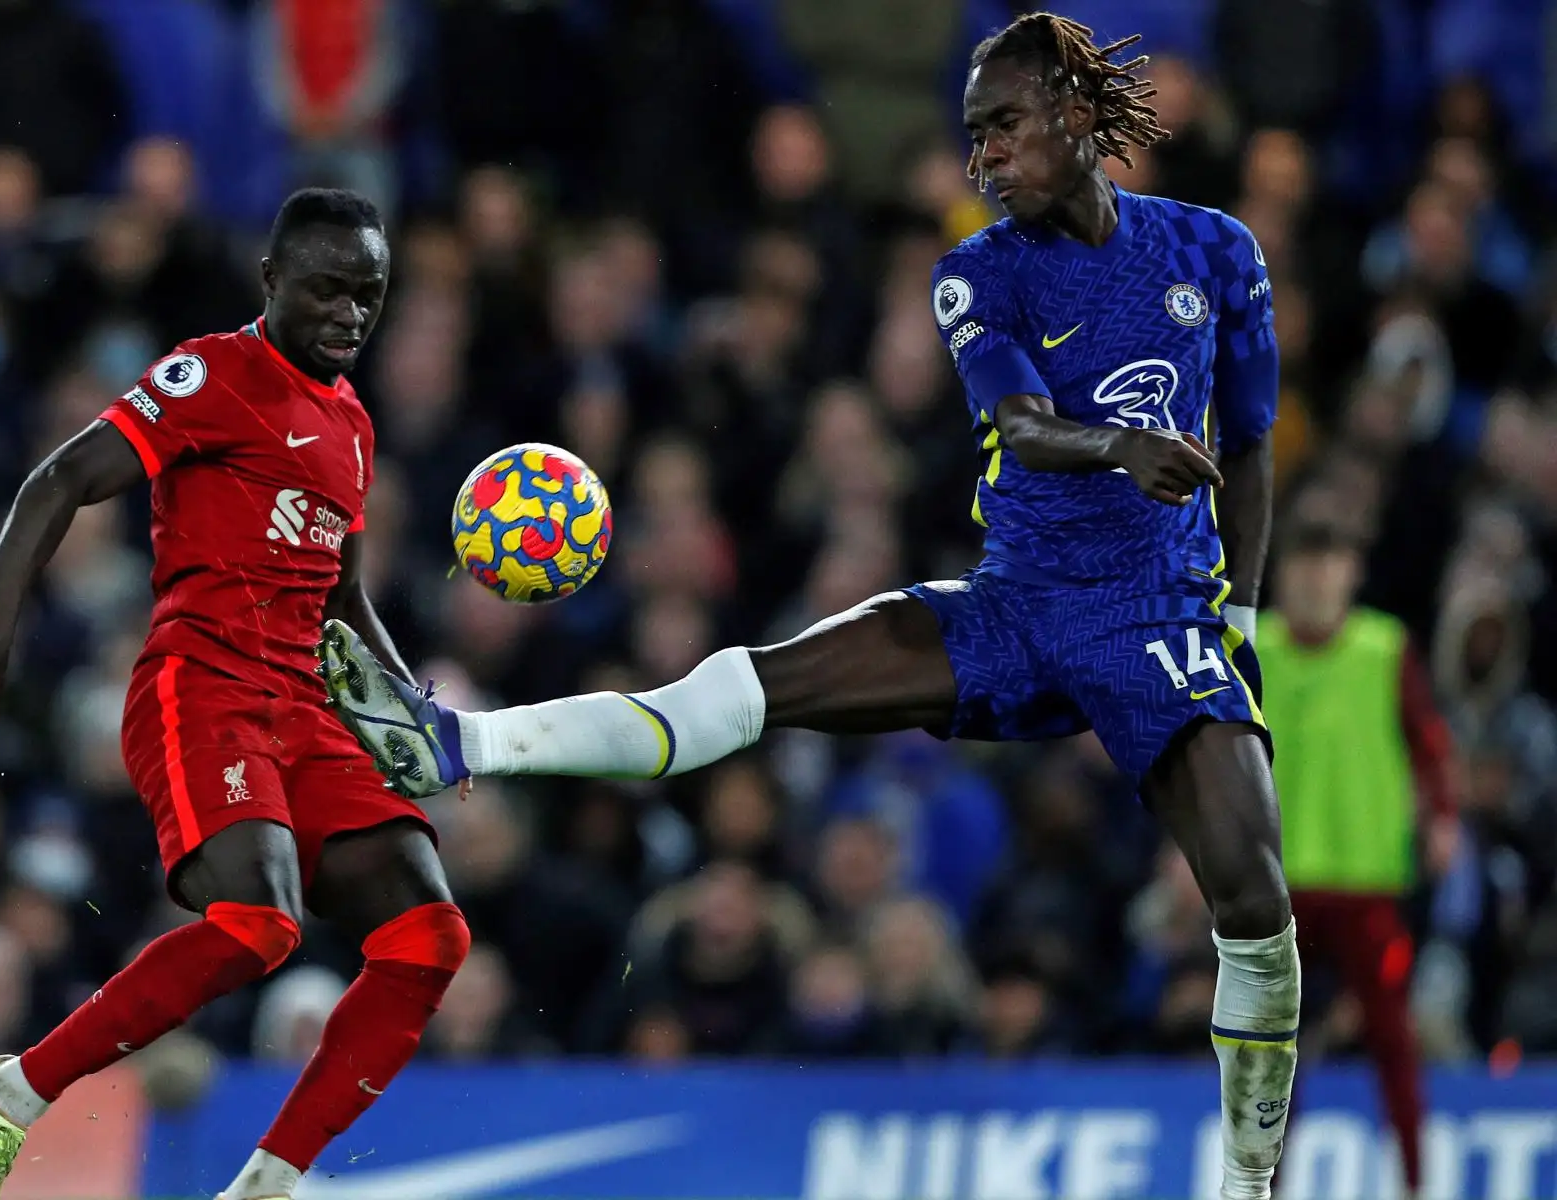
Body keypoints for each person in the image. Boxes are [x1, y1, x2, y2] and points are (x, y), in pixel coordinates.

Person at [324, 14, 1299, 1200]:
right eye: (971, 135)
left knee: (1253, 903)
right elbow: (1023, 428)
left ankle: (1252, 1181)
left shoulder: (1214, 252)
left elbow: (1247, 449)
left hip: (1154, 618)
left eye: (1003, 127)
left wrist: (1235, 629)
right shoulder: (975, 271)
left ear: (1079, 119)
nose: (984, 157)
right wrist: (1116, 446)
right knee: (753, 683)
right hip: (1018, 602)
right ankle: (459, 741)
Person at [0, 189, 470, 1200]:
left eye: (368, 297)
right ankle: (16, 1093)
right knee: (261, 925)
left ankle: (270, 1179)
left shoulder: (353, 426)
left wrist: (407, 709)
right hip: (200, 686)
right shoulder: (214, 373)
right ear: (271, 281)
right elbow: (58, 479)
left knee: (431, 934)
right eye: (327, 289)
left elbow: (343, 594)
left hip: (303, 706)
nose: (349, 314)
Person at [1261, 509, 1455, 1196]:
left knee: (1394, 1046)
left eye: (1330, 565)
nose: (1316, 582)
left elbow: (1427, 739)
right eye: (1304, 567)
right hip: (1280, 888)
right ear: (1281, 574)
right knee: (1272, 1058)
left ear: (1353, 574)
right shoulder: (1255, 651)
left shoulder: (1383, 649)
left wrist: (1442, 816)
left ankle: (1414, 1179)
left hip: (1366, 884)